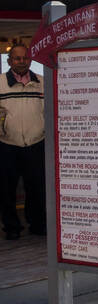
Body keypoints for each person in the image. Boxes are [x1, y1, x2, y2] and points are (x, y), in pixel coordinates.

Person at [0, 42, 46, 238]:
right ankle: (11, 228)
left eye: (25, 58)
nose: (21, 62)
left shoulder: (43, 82)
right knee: (6, 190)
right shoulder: (1, 82)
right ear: (9, 61)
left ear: (30, 59)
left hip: (37, 143)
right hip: (7, 145)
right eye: (17, 58)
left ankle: (37, 225)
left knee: (36, 188)